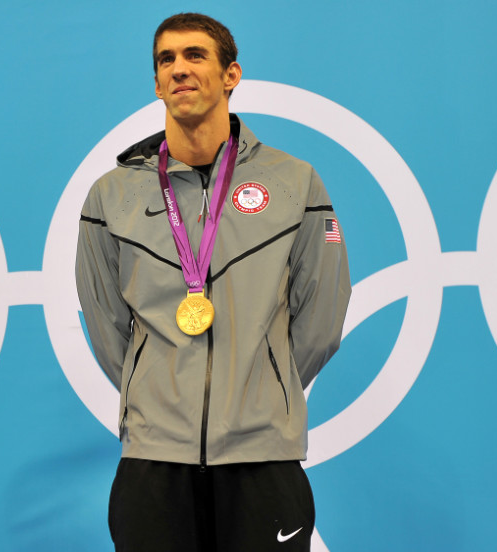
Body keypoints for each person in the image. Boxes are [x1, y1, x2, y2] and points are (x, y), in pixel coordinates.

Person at [75, 12, 351, 552]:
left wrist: (260, 386)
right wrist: (150, 386)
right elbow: (106, 322)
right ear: (156, 84)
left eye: (195, 55)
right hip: (154, 460)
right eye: (166, 60)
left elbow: (322, 316)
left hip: (262, 458)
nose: (179, 68)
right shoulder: (110, 195)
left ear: (231, 74)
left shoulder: (294, 182)